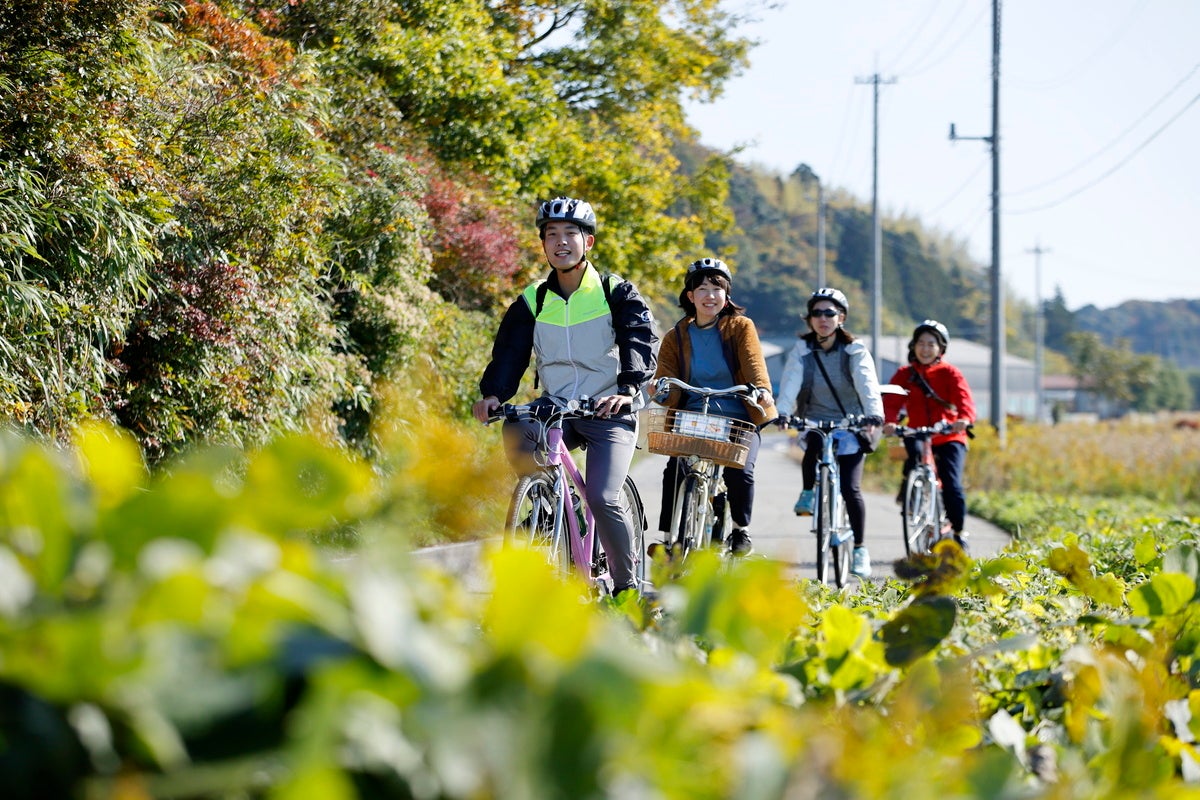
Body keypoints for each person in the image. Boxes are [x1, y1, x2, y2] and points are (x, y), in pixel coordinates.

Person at [472, 196, 658, 598]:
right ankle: (547, 503)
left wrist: (628, 389)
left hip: (608, 408)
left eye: (570, 233)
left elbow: (638, 341)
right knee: (517, 428)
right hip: (556, 409)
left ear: (587, 243)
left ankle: (629, 589)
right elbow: (509, 353)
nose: (561, 242)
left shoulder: (615, 291)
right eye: (551, 235)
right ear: (543, 244)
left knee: (604, 495)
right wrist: (492, 394)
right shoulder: (534, 299)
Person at [652, 258, 778, 557]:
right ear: (690, 296)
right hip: (692, 416)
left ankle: (740, 529)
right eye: (703, 288)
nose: (710, 295)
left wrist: (761, 391)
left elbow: (754, 364)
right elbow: (665, 374)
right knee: (675, 469)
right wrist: (660, 387)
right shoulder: (677, 335)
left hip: (738, 417)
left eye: (717, 288)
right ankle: (669, 539)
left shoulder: (739, 327)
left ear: (727, 295)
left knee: (740, 470)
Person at [777, 288, 884, 578]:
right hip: (815, 418)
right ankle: (809, 491)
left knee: (851, 488)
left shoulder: (855, 350)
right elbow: (790, 382)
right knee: (813, 443)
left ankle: (860, 549)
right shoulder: (803, 350)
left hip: (852, 422)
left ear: (841, 318)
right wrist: (783, 411)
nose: (823, 318)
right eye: (817, 313)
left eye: (830, 313)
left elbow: (867, 383)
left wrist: (874, 414)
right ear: (809, 319)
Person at [882, 320, 976, 550]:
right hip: (917, 432)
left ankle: (958, 531)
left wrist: (964, 419)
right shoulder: (905, 374)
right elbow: (891, 402)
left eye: (931, 344)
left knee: (952, 485)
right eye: (921, 343)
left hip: (947, 435)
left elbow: (964, 400)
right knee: (911, 461)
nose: (925, 348)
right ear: (913, 346)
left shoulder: (950, 373)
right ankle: (912, 496)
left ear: (941, 348)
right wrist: (890, 422)